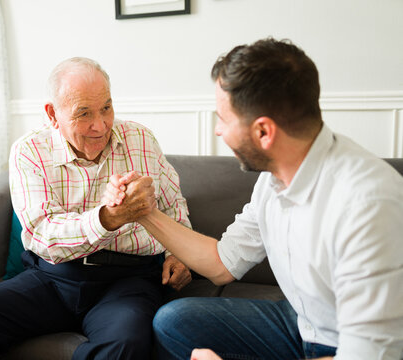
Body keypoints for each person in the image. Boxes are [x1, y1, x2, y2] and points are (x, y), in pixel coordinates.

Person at [102, 38, 403, 360]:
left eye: (223, 119)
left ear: (263, 132)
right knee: (174, 320)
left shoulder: (368, 204)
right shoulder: (274, 178)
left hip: (349, 344)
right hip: (306, 324)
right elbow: (221, 264)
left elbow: (371, 353)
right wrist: (143, 212)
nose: (218, 131)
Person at [0, 57, 193, 360]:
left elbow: (174, 205)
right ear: (53, 114)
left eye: (106, 107)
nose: (101, 124)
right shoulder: (29, 151)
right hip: (52, 278)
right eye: (84, 113)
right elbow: (44, 234)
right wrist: (109, 218)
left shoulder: (141, 139)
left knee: (124, 345)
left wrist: (178, 255)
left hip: (128, 280)